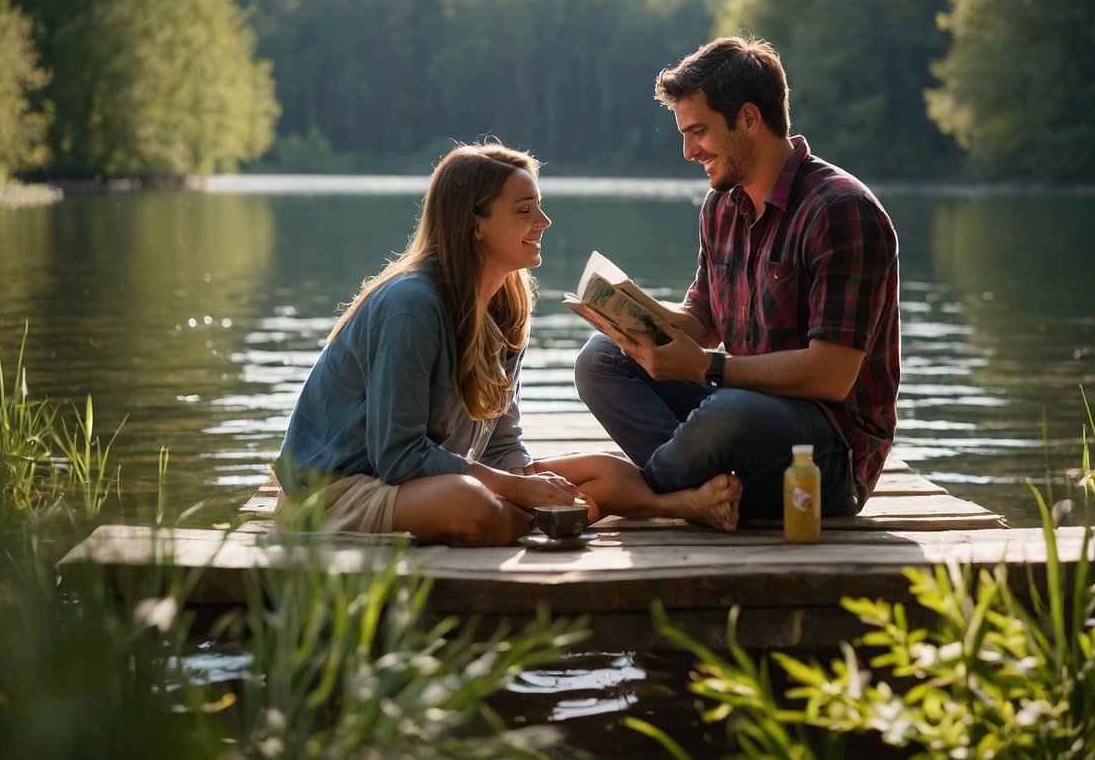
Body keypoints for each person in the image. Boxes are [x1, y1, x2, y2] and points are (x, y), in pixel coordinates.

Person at [275, 142, 741, 546]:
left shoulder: (505, 305)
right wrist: (517, 491)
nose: (544, 221)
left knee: (608, 470)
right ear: (474, 223)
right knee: (471, 503)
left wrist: (526, 481)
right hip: (343, 488)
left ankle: (677, 505)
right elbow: (396, 456)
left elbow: (500, 444)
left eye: (538, 206)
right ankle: (558, 517)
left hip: (428, 481)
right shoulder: (411, 304)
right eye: (524, 211)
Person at [574, 36, 900, 524]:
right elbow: (702, 322)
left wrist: (709, 369)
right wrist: (629, 309)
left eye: (698, 131)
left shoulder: (840, 210)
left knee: (728, 414)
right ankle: (698, 492)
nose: (688, 151)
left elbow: (832, 374)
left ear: (748, 119)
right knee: (600, 360)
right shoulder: (720, 207)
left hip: (828, 456)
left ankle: (651, 492)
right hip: (737, 407)